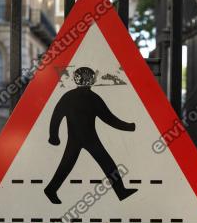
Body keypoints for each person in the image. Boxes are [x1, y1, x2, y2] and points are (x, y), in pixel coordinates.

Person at [44, 67, 138, 204]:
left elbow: (56, 116)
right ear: (90, 80)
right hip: (88, 139)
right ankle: (121, 191)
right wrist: (129, 127)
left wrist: (54, 136)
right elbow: (109, 119)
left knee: (69, 165)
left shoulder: (69, 97)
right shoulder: (93, 98)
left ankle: (51, 189)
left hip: (79, 139)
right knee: (107, 164)